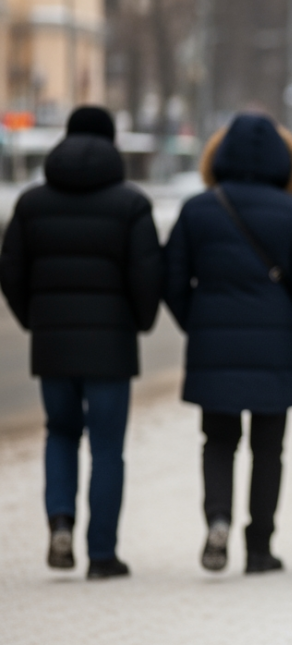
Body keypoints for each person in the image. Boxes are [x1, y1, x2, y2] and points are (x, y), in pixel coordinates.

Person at [163, 113, 292, 575]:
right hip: (277, 348)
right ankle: (259, 547)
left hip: (213, 345)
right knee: (268, 449)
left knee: (217, 441)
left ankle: (217, 519)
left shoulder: (198, 209)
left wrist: (197, 323)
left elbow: (171, 279)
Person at [0, 106, 163, 580]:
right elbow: (147, 274)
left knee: (61, 432)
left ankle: (60, 524)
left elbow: (9, 270)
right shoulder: (132, 204)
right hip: (111, 348)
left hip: (52, 346)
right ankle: (103, 553)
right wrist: (139, 320)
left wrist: (34, 317)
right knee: (108, 447)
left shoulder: (31, 204)